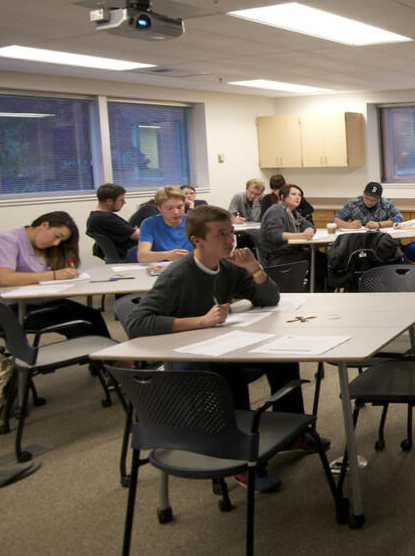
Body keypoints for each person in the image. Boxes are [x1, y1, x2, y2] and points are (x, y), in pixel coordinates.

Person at [123, 205, 322, 493]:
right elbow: (136, 322)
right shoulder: (178, 274)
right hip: (189, 359)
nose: (230, 241)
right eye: (221, 235)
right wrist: (199, 321)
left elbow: (268, 299)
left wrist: (254, 268)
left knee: (281, 357)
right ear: (197, 240)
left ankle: (293, 433)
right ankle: (243, 463)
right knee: (228, 377)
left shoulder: (227, 266)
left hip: (222, 346)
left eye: (231, 233)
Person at [0, 211, 111, 338]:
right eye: (57, 236)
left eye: (61, 240)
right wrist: (54, 275)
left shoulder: (43, 247)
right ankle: (91, 356)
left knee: (92, 315)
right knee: (81, 323)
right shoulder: (6, 241)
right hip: (14, 308)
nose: (56, 243)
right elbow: (5, 278)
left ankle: (104, 356)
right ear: (44, 225)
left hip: (40, 301)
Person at [258, 182, 317, 268]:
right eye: (293, 194)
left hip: (292, 251)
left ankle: (311, 281)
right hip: (278, 255)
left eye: (299, 195)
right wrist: (302, 235)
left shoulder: (294, 212)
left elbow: (309, 225)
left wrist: (309, 229)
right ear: (282, 197)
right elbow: (275, 235)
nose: (298, 197)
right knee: (319, 260)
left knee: (320, 258)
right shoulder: (276, 210)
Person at [136, 186, 192, 263]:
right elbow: (142, 256)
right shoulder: (149, 224)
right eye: (169, 208)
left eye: (179, 207)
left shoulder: (194, 221)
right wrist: (168, 255)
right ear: (159, 208)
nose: (176, 212)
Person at [86, 183, 139, 261]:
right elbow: (137, 235)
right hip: (131, 253)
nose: (124, 203)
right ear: (109, 201)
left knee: (146, 210)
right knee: (147, 209)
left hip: (126, 251)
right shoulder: (105, 218)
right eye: (121, 200)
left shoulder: (95, 217)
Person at [334, 181, 402, 229]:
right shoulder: (353, 203)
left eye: (373, 200)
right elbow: (335, 220)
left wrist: (379, 224)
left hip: (380, 240)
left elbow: (399, 219)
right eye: (367, 198)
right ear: (363, 193)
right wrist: (349, 225)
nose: (369, 202)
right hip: (359, 241)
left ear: (379, 198)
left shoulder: (386, 204)